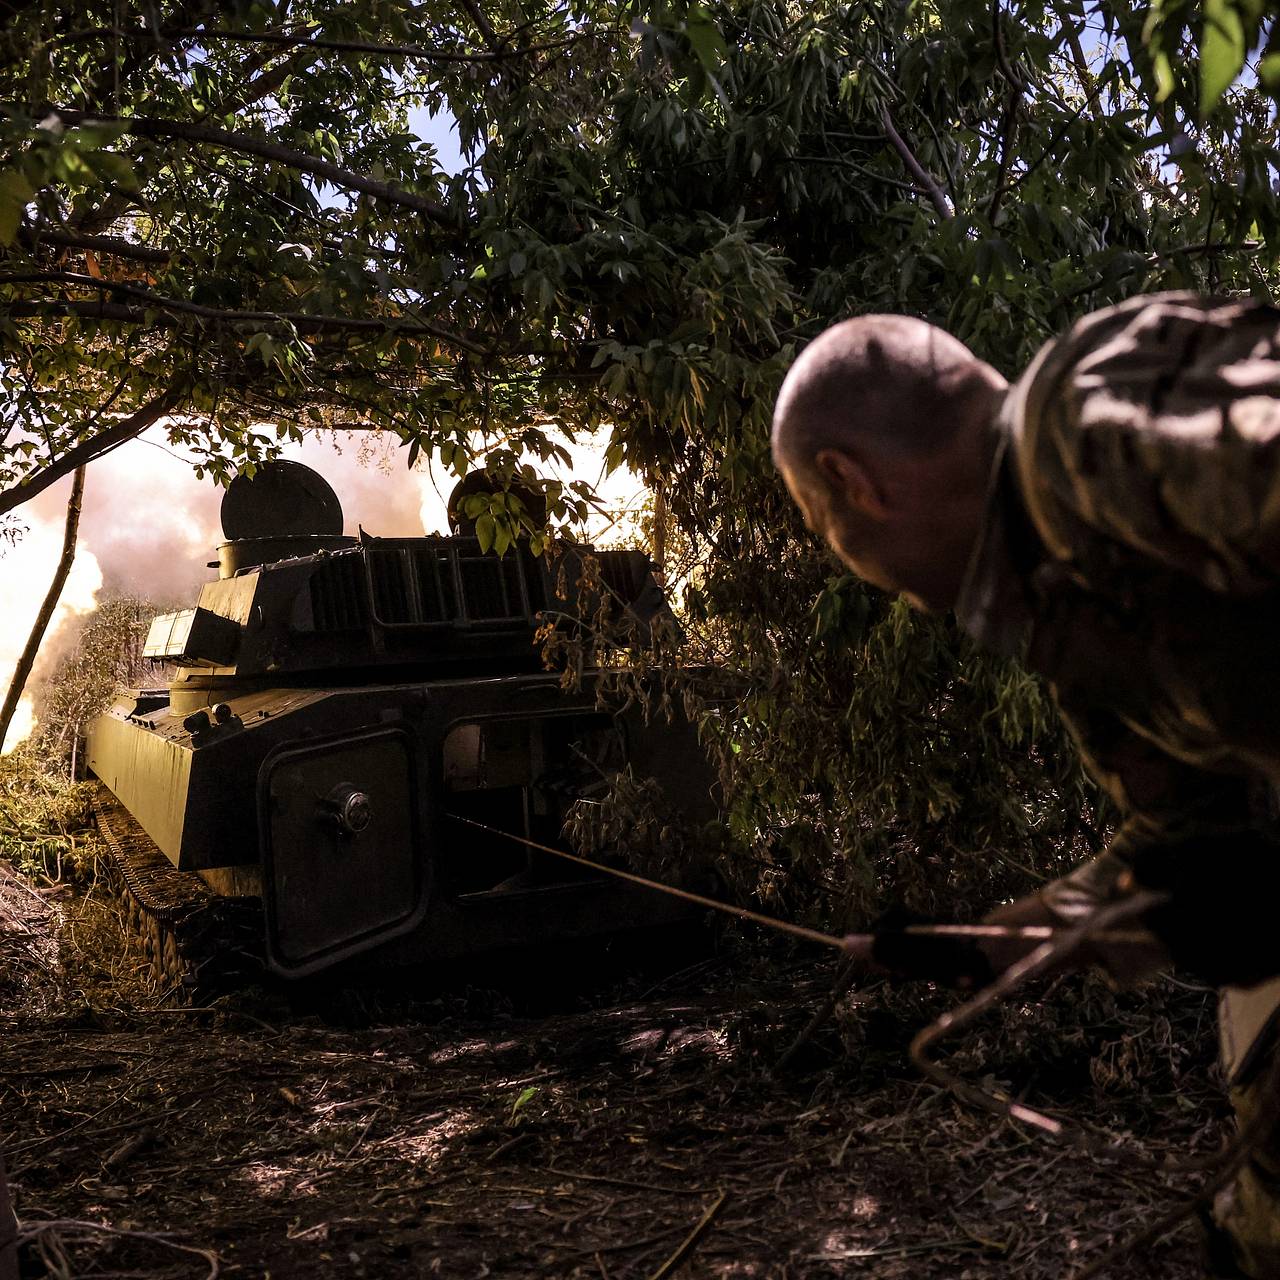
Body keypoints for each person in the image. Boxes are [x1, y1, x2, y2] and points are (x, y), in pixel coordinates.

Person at [771, 293, 1280, 1278]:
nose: (845, 562)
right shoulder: (1058, 590)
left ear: (853, 482)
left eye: (816, 523)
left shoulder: (1077, 425)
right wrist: (997, 943)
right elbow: (1187, 824)